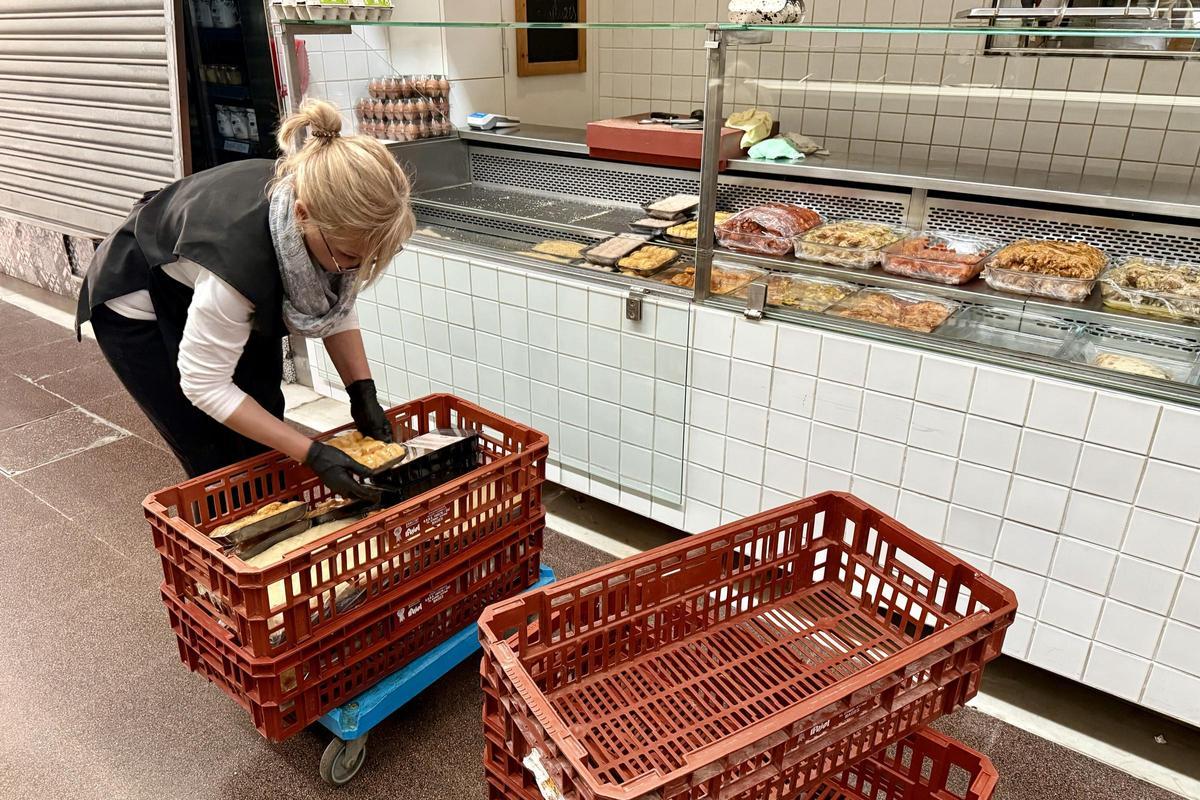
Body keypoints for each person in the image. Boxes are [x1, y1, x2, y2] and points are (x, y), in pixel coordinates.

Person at [75, 100, 414, 501]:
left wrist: (362, 392)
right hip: (140, 302)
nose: (353, 270)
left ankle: (278, 517)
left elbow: (333, 298)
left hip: (213, 286)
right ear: (304, 216)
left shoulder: (319, 205)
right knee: (216, 457)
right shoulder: (237, 266)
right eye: (351, 258)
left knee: (265, 420)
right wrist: (312, 453)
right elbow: (204, 385)